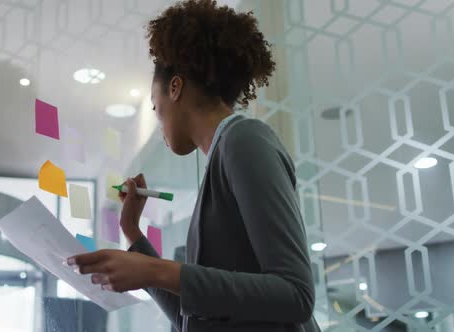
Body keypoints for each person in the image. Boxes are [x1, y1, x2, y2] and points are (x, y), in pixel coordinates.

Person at [67, 0, 320, 331]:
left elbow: (296, 295)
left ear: (176, 87)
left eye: (156, 109)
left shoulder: (244, 140)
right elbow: (192, 318)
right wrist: (132, 232)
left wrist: (155, 271)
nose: (159, 123)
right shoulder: (221, 156)